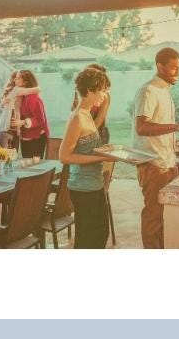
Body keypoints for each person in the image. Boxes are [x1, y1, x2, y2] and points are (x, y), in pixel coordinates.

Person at [132, 47, 179, 249]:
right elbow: (142, 127)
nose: (178, 72)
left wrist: (174, 148)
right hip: (153, 164)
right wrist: (178, 126)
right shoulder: (148, 90)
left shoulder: (164, 91)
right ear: (160, 67)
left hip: (167, 162)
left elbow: (159, 128)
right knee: (153, 217)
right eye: (173, 68)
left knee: (165, 217)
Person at [60, 67, 117, 249]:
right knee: (87, 241)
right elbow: (64, 156)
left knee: (101, 233)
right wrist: (98, 158)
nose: (105, 95)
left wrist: (107, 150)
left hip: (95, 185)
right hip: (83, 189)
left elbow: (87, 148)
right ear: (90, 90)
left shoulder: (87, 114)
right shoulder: (77, 118)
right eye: (103, 90)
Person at [0, 71, 41, 150]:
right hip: (7, 127)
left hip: (10, 127)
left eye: (18, 78)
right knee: (3, 155)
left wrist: (18, 129)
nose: (15, 79)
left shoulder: (17, 93)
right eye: (16, 78)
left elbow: (16, 110)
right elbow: (38, 89)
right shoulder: (17, 90)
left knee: (8, 156)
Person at [10, 70, 50, 159]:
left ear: (25, 82)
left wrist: (22, 122)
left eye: (18, 78)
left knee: (34, 165)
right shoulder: (22, 95)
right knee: (27, 164)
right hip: (26, 136)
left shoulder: (33, 98)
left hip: (37, 137)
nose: (14, 80)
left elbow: (40, 120)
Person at [71, 63, 111, 145]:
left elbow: (100, 118)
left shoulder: (104, 96)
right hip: (83, 131)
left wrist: (87, 136)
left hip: (98, 131)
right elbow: (74, 111)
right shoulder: (83, 94)